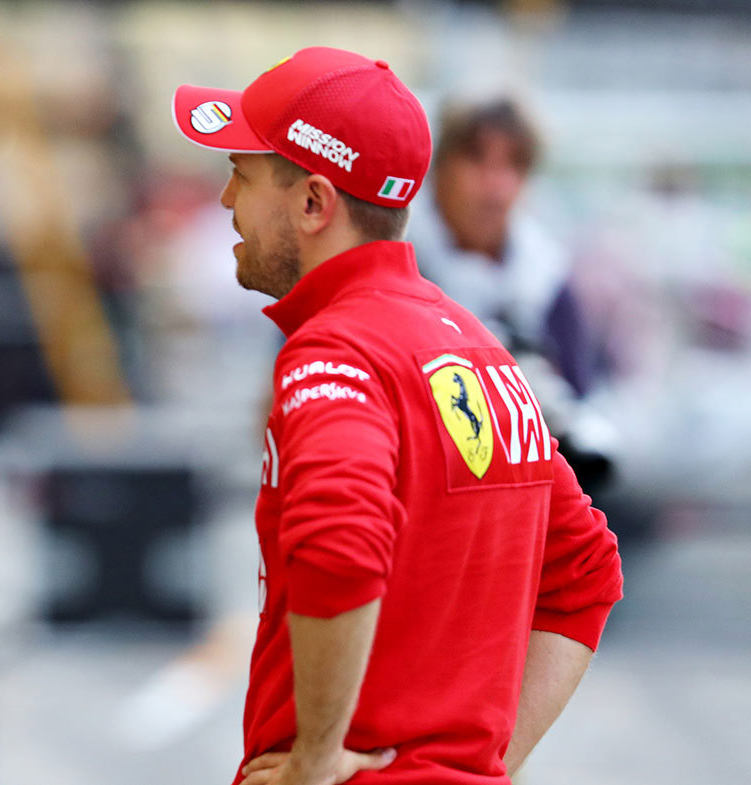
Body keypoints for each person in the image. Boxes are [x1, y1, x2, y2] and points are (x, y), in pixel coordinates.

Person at [172, 48, 622, 785]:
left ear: (315, 203)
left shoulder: (336, 351)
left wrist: (312, 764)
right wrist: (478, 766)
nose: (225, 200)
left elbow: (338, 546)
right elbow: (585, 572)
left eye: (241, 174)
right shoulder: (483, 352)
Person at [408, 96, 614, 488]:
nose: (494, 186)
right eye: (477, 160)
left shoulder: (546, 279)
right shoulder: (393, 261)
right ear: (439, 168)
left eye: (513, 166)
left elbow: (576, 408)